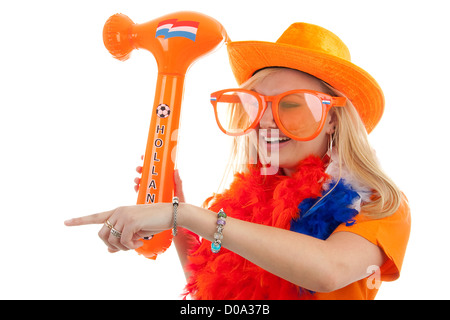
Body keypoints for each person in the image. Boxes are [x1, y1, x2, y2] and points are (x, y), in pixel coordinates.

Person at [65, 22, 410, 300]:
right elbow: (217, 295)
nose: (267, 121)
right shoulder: (249, 200)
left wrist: (185, 215)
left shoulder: (377, 204)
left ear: (333, 118)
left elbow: (328, 269)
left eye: (290, 104)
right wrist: (178, 216)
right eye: (256, 104)